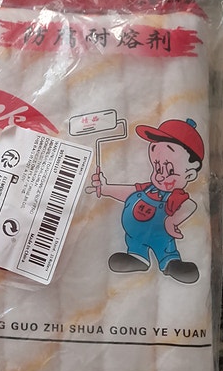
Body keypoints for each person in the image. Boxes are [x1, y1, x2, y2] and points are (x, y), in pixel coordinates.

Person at [87, 118, 204, 284]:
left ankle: (171, 263)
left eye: (170, 171)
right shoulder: (147, 188)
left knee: (164, 247)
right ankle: (137, 258)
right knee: (135, 244)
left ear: (190, 174)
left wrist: (172, 221)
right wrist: (105, 189)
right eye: (158, 167)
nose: (161, 176)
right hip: (135, 236)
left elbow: (189, 205)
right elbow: (129, 192)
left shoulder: (174, 196)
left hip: (160, 235)